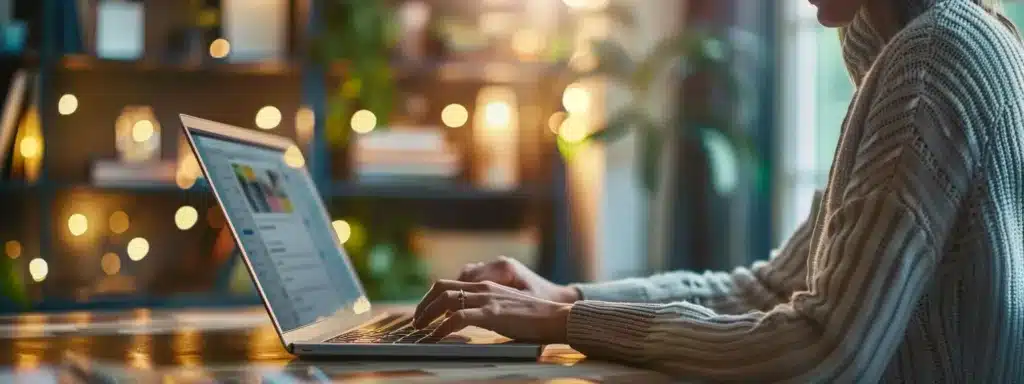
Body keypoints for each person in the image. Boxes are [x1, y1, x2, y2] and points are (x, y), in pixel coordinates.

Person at [412, 0, 1024, 381]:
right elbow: (772, 287)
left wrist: (567, 321)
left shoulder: (931, 62)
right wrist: (568, 294)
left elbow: (823, 352)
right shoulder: (931, 47)